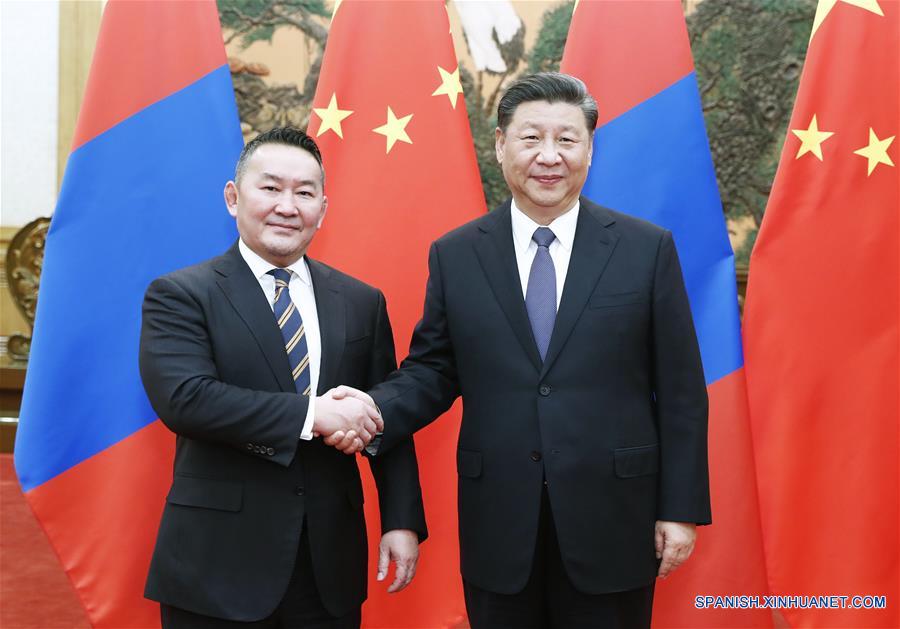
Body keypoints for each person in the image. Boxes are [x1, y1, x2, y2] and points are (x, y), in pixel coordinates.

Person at [333, 72, 711, 628]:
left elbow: (680, 389)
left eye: (567, 139)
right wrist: (369, 411)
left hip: (615, 519)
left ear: (589, 148)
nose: (549, 156)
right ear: (500, 145)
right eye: (531, 138)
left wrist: (679, 510)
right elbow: (434, 371)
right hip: (499, 524)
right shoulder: (458, 255)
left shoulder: (644, 249)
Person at [139, 127, 426, 629]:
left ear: (323, 208)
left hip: (327, 566)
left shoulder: (361, 302)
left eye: (304, 192)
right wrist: (316, 414)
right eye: (270, 188)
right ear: (234, 198)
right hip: (216, 565)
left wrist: (401, 520)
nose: (287, 206)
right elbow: (186, 399)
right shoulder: (181, 294)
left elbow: (383, 414)